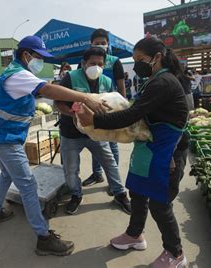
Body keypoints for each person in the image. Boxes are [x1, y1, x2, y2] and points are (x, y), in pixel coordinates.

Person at [0, 35, 109, 256]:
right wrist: (86, 98)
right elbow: (49, 90)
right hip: (6, 141)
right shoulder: (18, 75)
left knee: (5, 175)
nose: (41, 62)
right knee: (28, 186)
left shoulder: (15, 73)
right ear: (26, 55)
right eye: (39, 57)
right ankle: (43, 237)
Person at [75, 36, 189, 268]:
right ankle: (134, 235)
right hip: (149, 147)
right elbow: (137, 112)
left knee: (159, 203)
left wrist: (95, 119)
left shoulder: (163, 82)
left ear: (157, 57)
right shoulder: (154, 80)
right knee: (137, 191)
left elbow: (132, 115)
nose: (137, 64)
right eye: (135, 59)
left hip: (167, 152)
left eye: (140, 59)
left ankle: (176, 254)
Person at [55, 47, 131, 215]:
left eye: (100, 64)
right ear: (83, 63)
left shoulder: (106, 81)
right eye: (92, 63)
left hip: (97, 133)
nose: (96, 67)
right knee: (71, 168)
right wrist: (73, 113)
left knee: (109, 162)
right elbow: (58, 103)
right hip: (71, 133)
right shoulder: (70, 77)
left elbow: (111, 104)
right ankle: (76, 194)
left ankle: (120, 193)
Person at [82, 28, 126, 188]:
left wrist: (122, 108)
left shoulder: (115, 61)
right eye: (96, 43)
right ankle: (97, 174)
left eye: (103, 43)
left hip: (110, 106)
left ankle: (113, 180)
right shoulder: (87, 59)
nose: (100, 46)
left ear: (108, 44)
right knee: (96, 138)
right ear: (91, 44)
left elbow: (121, 86)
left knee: (112, 142)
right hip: (92, 106)